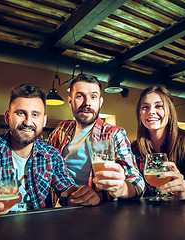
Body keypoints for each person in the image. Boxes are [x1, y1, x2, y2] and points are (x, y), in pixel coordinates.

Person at [0, 83, 96, 222]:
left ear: (44, 120)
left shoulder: (52, 155)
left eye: (35, 114)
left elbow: (66, 190)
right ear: (8, 117)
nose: (28, 122)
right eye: (21, 113)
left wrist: (80, 195)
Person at [47, 74, 145, 203]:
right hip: (64, 206)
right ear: (70, 102)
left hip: (100, 210)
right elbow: (44, 161)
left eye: (93, 97)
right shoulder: (62, 129)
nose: (87, 103)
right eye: (80, 96)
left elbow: (137, 182)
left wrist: (122, 188)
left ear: (100, 102)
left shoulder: (114, 133)